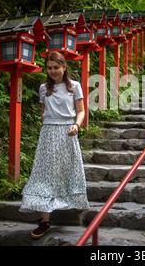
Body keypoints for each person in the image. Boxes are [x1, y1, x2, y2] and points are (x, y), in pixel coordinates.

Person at [19, 51, 90, 239]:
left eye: (56, 67)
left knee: (64, 173)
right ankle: (45, 220)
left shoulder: (74, 86)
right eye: (49, 68)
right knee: (43, 175)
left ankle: (59, 209)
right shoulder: (43, 88)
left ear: (64, 67)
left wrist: (76, 124)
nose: (52, 71)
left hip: (67, 132)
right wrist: (48, 120)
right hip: (48, 133)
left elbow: (81, 111)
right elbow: (43, 113)